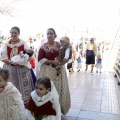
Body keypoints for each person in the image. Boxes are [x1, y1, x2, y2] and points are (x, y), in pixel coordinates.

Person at [36, 28, 71, 115]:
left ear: (55, 35)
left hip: (59, 70)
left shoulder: (60, 45)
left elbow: (66, 55)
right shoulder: (43, 46)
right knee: (47, 88)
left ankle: (56, 109)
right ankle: (46, 109)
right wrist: (52, 61)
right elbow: (40, 59)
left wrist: (63, 61)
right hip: (47, 71)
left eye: (51, 33)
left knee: (58, 88)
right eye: (47, 33)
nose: (49, 35)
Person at [0, 26, 36, 104]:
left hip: (22, 70)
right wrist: (11, 62)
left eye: (15, 33)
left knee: (23, 89)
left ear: (18, 34)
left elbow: (30, 56)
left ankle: (25, 103)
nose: (13, 34)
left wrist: (23, 61)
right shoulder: (6, 44)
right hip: (10, 69)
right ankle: (11, 103)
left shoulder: (23, 43)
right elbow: (2, 58)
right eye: (12, 32)